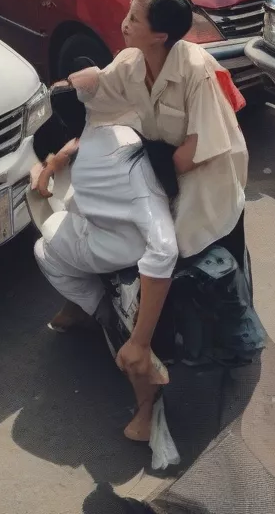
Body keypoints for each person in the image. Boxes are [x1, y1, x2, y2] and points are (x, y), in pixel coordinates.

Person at [66, 0, 248, 266]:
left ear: (160, 36)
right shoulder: (130, 61)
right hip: (165, 170)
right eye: (129, 13)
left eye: (135, 19)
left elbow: (198, 148)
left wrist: (148, 178)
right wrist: (68, 86)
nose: (125, 24)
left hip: (205, 182)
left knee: (196, 264)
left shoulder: (196, 71)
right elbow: (101, 94)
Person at [31, 97, 178, 442]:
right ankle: (87, 307)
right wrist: (54, 164)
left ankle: (101, 313)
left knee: (46, 243)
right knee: (65, 217)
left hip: (122, 247)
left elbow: (163, 249)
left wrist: (140, 341)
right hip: (140, 225)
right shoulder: (120, 126)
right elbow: (80, 141)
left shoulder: (112, 175)